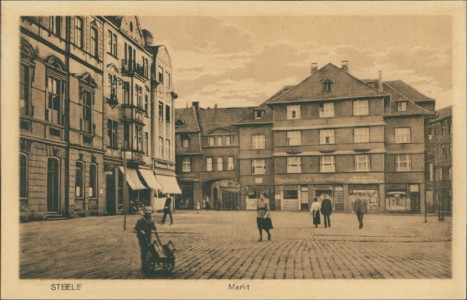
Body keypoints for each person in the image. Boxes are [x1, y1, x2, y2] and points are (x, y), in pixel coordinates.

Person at [134, 206, 162, 273]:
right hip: (142, 238)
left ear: (151, 212)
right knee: (144, 251)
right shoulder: (141, 220)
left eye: (149, 210)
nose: (148, 212)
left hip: (148, 237)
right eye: (146, 210)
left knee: (149, 249)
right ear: (144, 211)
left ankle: (148, 262)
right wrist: (141, 230)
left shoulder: (151, 219)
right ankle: (144, 266)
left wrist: (158, 237)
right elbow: (136, 228)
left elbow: (154, 228)